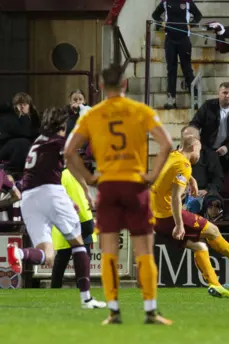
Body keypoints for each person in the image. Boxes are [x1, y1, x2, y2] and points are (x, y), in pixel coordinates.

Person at [64, 64, 174, 325]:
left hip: (108, 185)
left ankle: (113, 311)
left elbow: (69, 152)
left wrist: (90, 178)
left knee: (109, 249)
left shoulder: (92, 115)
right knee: (144, 250)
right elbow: (167, 144)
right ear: (125, 85)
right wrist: (153, 175)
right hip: (135, 184)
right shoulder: (140, 111)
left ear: (101, 86)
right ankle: (150, 310)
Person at [6, 108, 105, 310]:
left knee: (47, 255)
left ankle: (19, 253)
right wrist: (87, 192)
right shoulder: (61, 142)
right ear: (63, 126)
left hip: (29, 198)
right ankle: (86, 299)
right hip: (49, 193)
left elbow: (46, 172)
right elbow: (72, 165)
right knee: (78, 244)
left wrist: (66, 201)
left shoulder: (38, 142)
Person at [150, 135, 229, 298]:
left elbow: (169, 171)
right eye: (199, 151)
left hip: (153, 216)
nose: (200, 155)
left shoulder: (173, 155)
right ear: (193, 148)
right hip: (168, 215)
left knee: (199, 246)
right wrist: (179, 225)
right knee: (213, 230)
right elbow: (175, 197)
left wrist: (192, 180)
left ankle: (215, 285)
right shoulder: (184, 165)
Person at [50, 169, 96, 289]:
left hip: (68, 222)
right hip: (81, 220)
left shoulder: (61, 175)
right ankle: (83, 288)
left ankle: (55, 289)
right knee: (82, 259)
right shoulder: (75, 173)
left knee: (61, 260)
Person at [152, 0, 203, 109]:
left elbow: (198, 15)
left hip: (184, 40)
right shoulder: (165, 2)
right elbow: (155, 15)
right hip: (170, 40)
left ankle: (195, 99)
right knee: (171, 69)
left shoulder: (188, 2)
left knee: (187, 68)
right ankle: (171, 100)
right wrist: (162, 22)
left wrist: (191, 25)